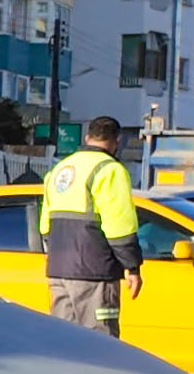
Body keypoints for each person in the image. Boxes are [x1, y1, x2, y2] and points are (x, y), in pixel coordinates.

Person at [38, 115, 142, 335]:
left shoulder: (60, 169)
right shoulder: (110, 170)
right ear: (117, 141)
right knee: (100, 344)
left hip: (59, 270)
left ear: (87, 137)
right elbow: (119, 225)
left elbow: (46, 224)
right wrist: (132, 267)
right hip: (95, 272)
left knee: (63, 342)